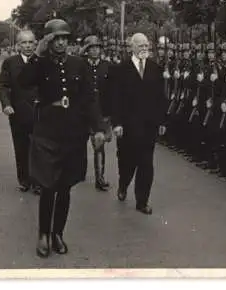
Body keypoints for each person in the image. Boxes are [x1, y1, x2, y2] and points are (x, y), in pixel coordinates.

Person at [18, 19, 105, 258]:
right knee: (48, 186)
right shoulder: (40, 64)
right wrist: (36, 53)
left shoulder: (80, 64)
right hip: (47, 133)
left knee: (65, 186)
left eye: (64, 38)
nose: (61, 42)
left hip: (73, 133)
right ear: (48, 41)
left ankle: (58, 233)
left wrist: (98, 128)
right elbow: (22, 82)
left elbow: (90, 98)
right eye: (55, 39)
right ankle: (43, 235)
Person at [111, 32, 168, 215]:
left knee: (146, 163)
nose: (144, 49)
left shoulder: (155, 68)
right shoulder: (121, 69)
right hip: (127, 126)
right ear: (132, 48)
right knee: (127, 161)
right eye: (140, 46)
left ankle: (142, 201)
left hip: (148, 125)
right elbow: (116, 98)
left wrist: (161, 121)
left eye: (146, 46)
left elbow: (161, 98)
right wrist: (117, 123)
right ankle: (123, 183)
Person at [0, 30, 40, 195]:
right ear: (18, 45)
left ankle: (37, 182)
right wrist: (6, 104)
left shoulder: (42, 62)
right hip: (18, 112)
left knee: (38, 148)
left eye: (30, 42)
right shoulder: (10, 62)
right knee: (21, 147)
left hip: (38, 112)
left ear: (35, 44)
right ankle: (24, 180)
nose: (28, 46)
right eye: (24, 43)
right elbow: (3, 85)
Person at [82, 35, 113, 191]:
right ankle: (78, 173)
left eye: (97, 47)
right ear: (86, 51)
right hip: (83, 112)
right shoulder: (81, 66)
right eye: (91, 48)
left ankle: (99, 178)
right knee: (78, 145)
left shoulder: (108, 66)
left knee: (99, 145)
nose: (95, 51)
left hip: (101, 111)